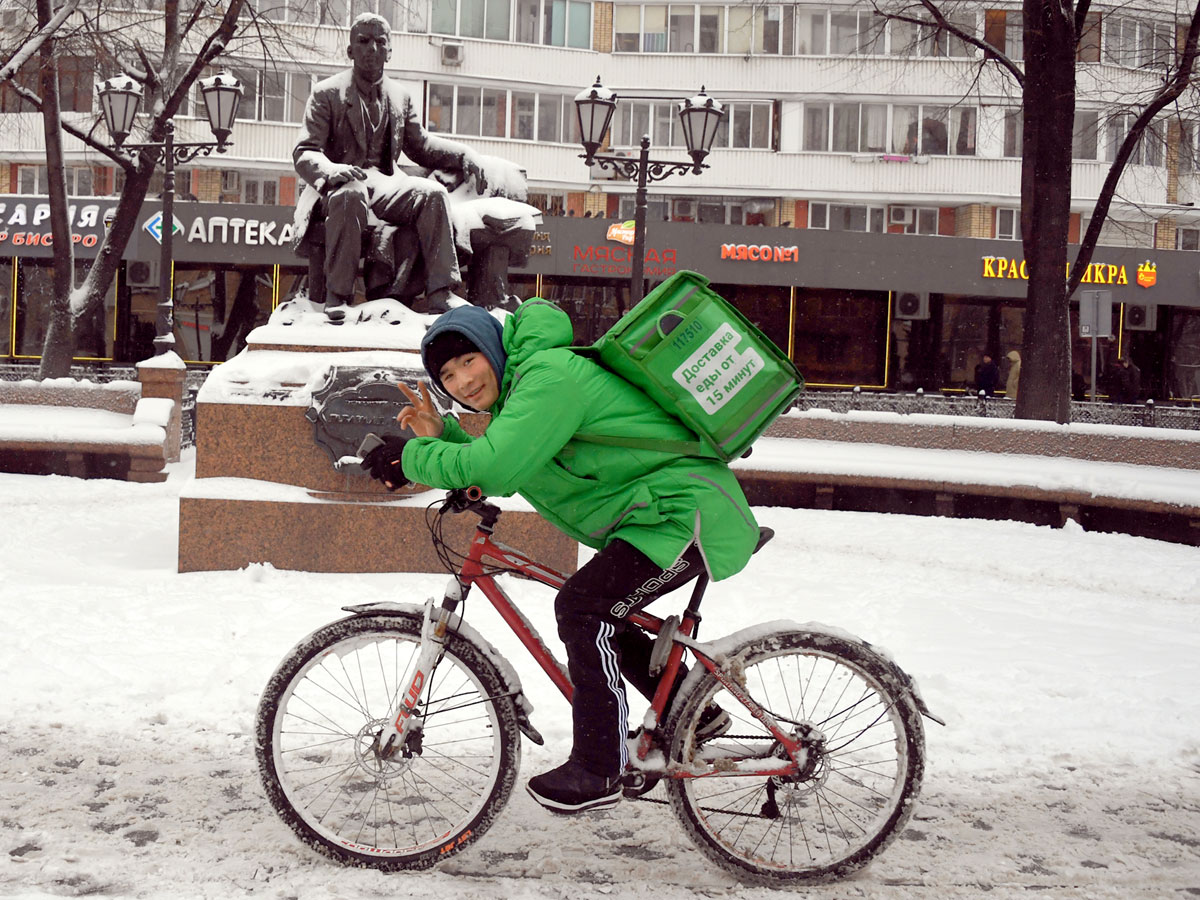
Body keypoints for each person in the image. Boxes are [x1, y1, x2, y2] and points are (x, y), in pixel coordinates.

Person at [361, 302, 760, 814]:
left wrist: (411, 457)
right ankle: (692, 712)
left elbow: (500, 465)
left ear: (494, 348)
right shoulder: (524, 392)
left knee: (583, 607)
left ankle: (600, 767)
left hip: (685, 517)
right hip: (664, 517)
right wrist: (445, 441)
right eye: (447, 374)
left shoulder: (548, 375)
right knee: (600, 613)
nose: (461, 380)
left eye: (468, 360)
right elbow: (511, 451)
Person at [293, 14, 486, 321]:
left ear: (389, 51)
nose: (372, 48)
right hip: (341, 184)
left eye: (380, 42)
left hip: (385, 184)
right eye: (364, 41)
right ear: (350, 50)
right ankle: (338, 295)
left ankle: (441, 292)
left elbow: (420, 145)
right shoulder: (326, 93)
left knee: (433, 194)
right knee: (350, 195)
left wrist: (463, 155)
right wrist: (330, 171)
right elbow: (305, 152)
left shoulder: (400, 97)